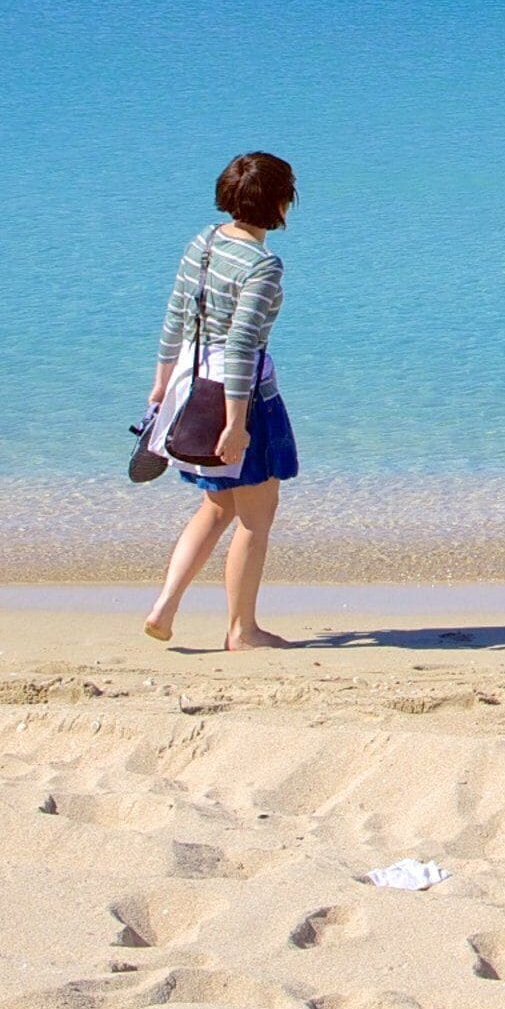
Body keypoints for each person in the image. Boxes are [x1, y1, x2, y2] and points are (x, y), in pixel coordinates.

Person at [138, 152, 300, 648]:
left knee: (216, 505)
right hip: (240, 397)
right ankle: (242, 631)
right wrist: (235, 424)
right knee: (256, 515)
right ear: (279, 202)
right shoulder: (263, 265)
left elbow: (175, 318)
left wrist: (160, 387)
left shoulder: (203, 242)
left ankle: (164, 608)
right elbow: (241, 345)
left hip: (192, 385)